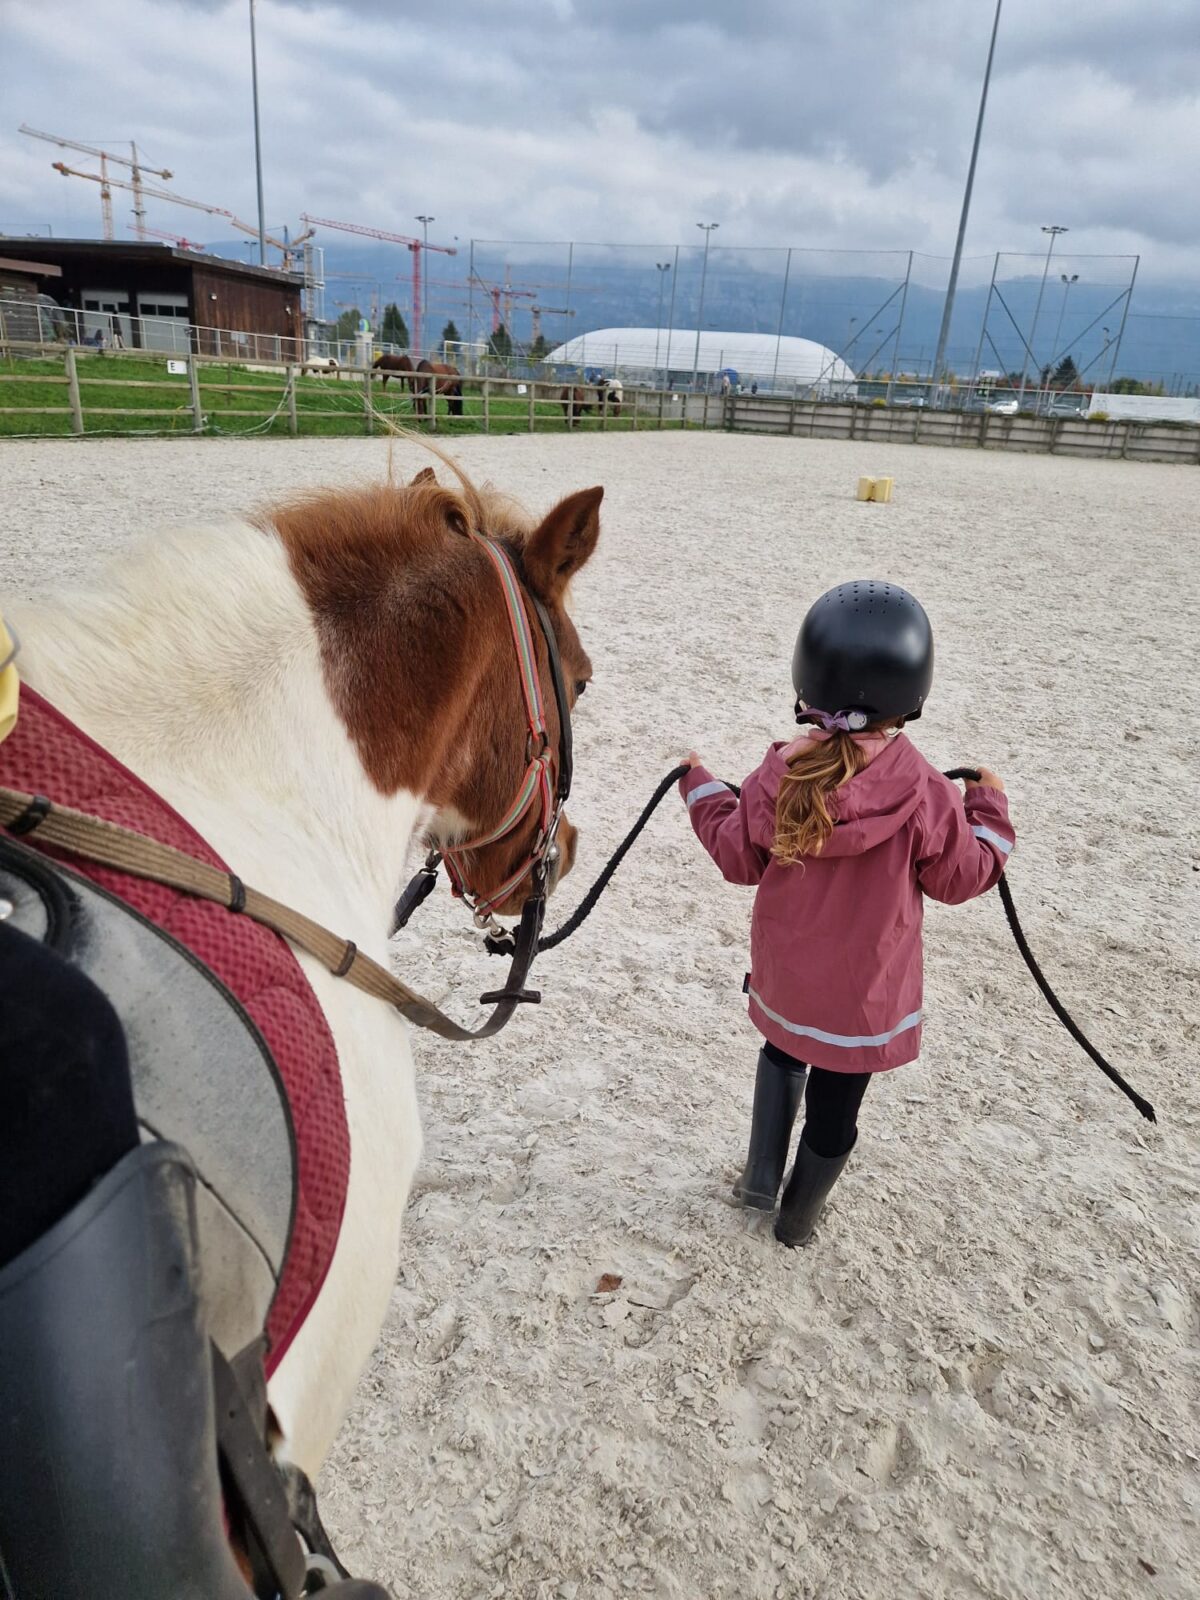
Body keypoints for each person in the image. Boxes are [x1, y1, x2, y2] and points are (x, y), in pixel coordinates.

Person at [679, 581, 1014, 1247]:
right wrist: (990, 809)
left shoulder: (779, 773)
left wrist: (700, 787)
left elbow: (737, 858)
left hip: (788, 979)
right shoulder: (923, 792)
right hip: (862, 999)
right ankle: (796, 1222)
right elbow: (962, 876)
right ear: (911, 693)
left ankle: (758, 1180)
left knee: (782, 1052)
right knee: (837, 1105)